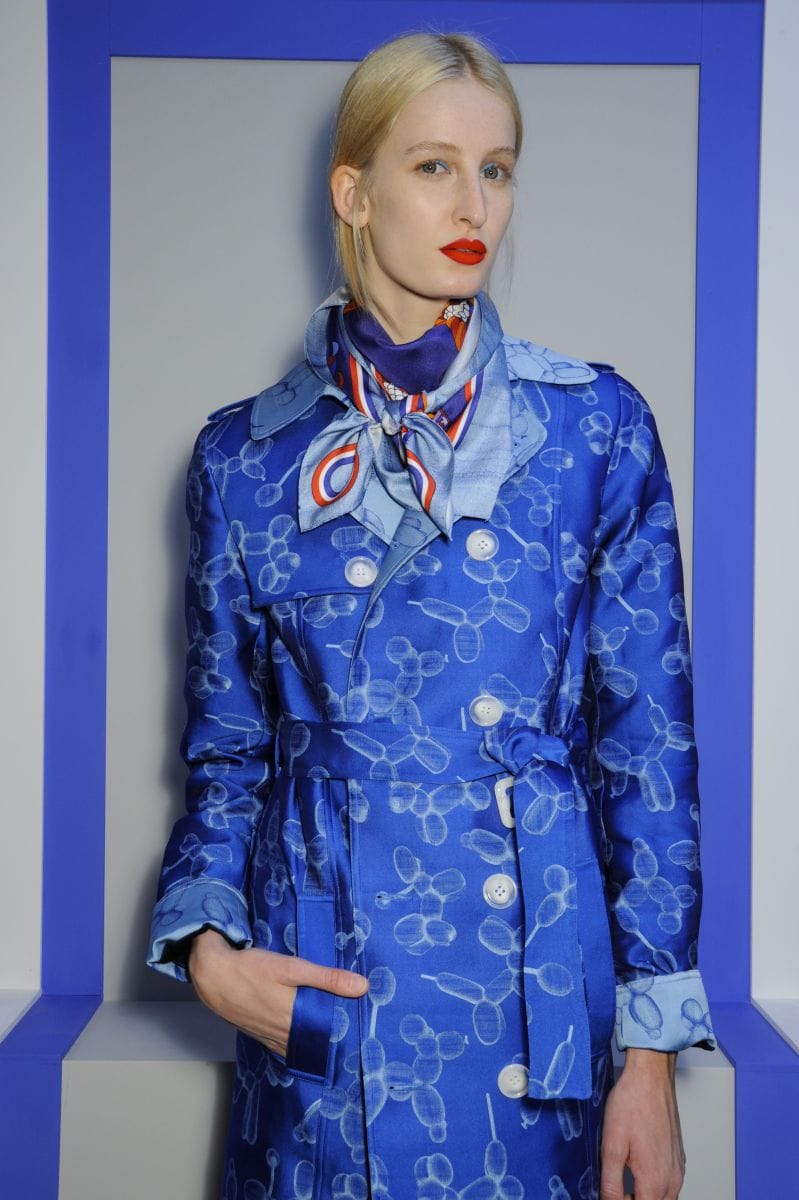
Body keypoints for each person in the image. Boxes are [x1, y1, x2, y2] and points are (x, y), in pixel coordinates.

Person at [147, 31, 716, 1200]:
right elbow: (225, 754)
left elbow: (647, 757)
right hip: (325, 1003)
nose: (474, 205)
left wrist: (650, 1058)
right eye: (433, 166)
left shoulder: (592, 431)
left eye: (495, 169)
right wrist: (209, 955)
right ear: (352, 192)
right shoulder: (242, 460)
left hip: (529, 1014)